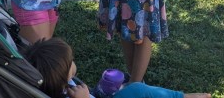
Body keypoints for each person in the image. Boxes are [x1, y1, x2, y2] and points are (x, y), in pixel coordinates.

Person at [23, 37, 211, 98]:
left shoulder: (65, 85)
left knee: (134, 88)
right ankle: (183, 97)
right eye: (70, 61)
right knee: (137, 89)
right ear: (62, 72)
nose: (73, 62)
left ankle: (182, 96)